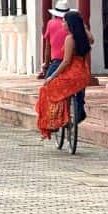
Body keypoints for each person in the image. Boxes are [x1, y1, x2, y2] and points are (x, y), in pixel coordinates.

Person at [36, 10, 93, 138]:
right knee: (65, 91)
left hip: (72, 74)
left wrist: (51, 76)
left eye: (64, 22)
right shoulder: (85, 37)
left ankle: (55, 122)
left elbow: (66, 62)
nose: (62, 24)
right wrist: (84, 27)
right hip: (83, 74)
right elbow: (92, 39)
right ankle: (75, 111)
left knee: (47, 89)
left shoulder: (70, 39)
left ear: (70, 24)